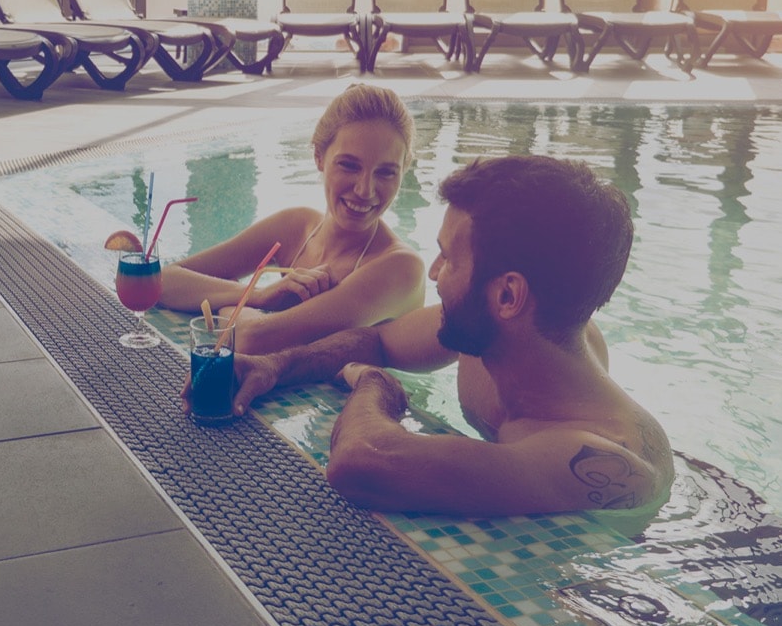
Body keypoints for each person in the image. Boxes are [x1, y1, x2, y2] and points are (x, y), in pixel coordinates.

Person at [191, 154, 674, 517]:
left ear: (508, 295)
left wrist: (375, 385)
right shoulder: (500, 334)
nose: (435, 273)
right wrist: (275, 366)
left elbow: (360, 463)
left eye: (449, 258)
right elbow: (379, 340)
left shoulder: (596, 457)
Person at [158, 85, 426, 354]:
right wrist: (258, 295)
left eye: (386, 172)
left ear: (404, 169)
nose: (365, 190)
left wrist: (227, 303)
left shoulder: (401, 268)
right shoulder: (296, 227)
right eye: (349, 165)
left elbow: (253, 339)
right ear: (319, 157)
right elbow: (161, 281)